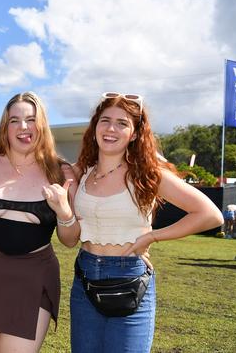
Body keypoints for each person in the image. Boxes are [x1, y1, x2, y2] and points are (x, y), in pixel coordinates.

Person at [68, 92, 224, 352]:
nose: (111, 129)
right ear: (94, 126)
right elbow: (39, 161)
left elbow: (210, 214)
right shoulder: (82, 171)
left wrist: (152, 236)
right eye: (105, 120)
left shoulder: (147, 173)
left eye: (122, 123)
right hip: (84, 278)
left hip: (130, 277)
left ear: (135, 133)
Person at [0, 92, 78, 352]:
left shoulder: (62, 172)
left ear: (42, 125)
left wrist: (64, 212)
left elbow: (70, 241)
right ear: (6, 127)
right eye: (14, 120)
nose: (23, 127)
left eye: (30, 119)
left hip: (33, 277)